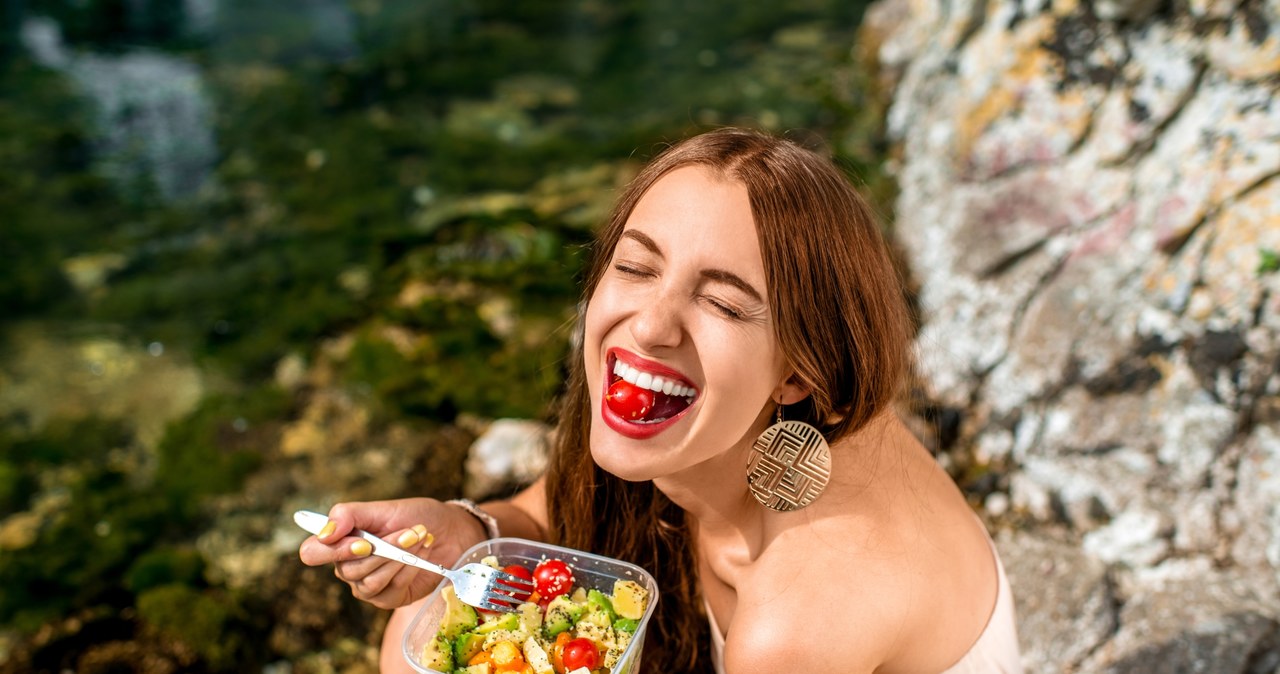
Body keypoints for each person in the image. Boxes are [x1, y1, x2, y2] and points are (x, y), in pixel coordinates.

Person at [299, 127, 1022, 673]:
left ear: (798, 373)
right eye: (637, 266)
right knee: (420, 626)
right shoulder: (767, 434)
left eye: (725, 304)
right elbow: (552, 513)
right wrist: (471, 532)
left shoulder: (800, 616)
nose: (649, 324)